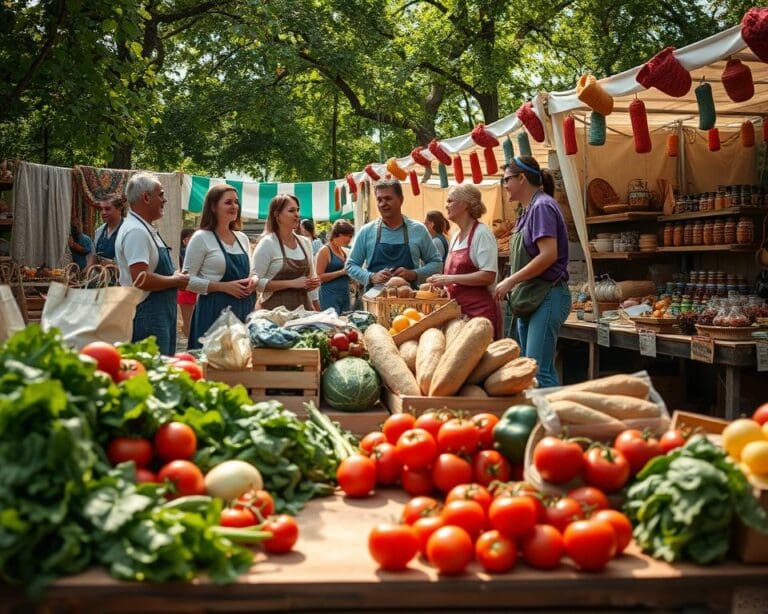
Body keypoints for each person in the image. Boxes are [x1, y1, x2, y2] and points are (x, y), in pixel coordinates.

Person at [493, 156, 570, 387]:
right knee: (529, 372)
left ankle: (554, 422)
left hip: (547, 296)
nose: (504, 184)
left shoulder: (542, 207)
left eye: (506, 179)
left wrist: (510, 280)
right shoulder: (526, 210)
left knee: (539, 372)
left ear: (522, 178)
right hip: (530, 297)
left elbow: (548, 255)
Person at [115, 172, 189, 355]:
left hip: (161, 316)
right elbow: (140, 279)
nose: (164, 200)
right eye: (161, 194)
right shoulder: (136, 232)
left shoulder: (144, 229)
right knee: (152, 376)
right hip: (147, 319)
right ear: (146, 197)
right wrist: (175, 281)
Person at [183, 185, 257, 349]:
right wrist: (222, 287)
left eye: (236, 202)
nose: (234, 206)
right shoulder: (201, 238)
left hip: (242, 311)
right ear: (213, 206)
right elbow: (186, 281)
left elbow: (253, 272)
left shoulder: (242, 238)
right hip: (213, 313)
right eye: (228, 202)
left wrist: (254, 280)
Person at [427, 184, 500, 337]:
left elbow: (488, 275)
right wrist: (441, 285)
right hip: (458, 316)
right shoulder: (455, 237)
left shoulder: (482, 233)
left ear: (464, 204)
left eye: (450, 201)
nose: (446, 206)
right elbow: (453, 280)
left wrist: (449, 279)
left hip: (481, 316)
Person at [346, 179, 442, 287]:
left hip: (407, 299)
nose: (383, 204)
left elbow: (437, 264)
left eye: (388, 198)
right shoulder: (367, 231)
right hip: (375, 301)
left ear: (401, 200)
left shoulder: (418, 229)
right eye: (379, 200)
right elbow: (351, 265)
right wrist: (370, 276)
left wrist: (414, 274)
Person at [250, 194, 321, 310]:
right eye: (291, 211)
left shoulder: (305, 243)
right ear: (277, 215)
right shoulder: (267, 243)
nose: (297, 215)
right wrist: (292, 283)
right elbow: (256, 284)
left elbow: (310, 277)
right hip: (273, 316)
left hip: (303, 312)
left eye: (297, 210)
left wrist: (312, 285)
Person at [316, 219, 354, 314]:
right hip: (330, 297)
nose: (350, 239)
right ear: (339, 234)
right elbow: (320, 277)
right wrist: (341, 272)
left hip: (344, 295)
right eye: (348, 236)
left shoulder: (342, 250)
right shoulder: (325, 250)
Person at [89, 195, 125, 266]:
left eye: (107, 209)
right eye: (101, 209)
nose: (103, 212)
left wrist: (112, 264)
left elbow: (134, 265)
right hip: (101, 275)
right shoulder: (99, 231)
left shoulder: (128, 231)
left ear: (119, 209)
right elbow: (94, 257)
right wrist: (84, 273)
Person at [177, 228, 197, 338]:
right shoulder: (184, 252)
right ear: (184, 241)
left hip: (190, 289)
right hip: (186, 290)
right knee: (188, 322)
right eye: (192, 239)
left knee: (189, 321)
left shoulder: (187, 251)